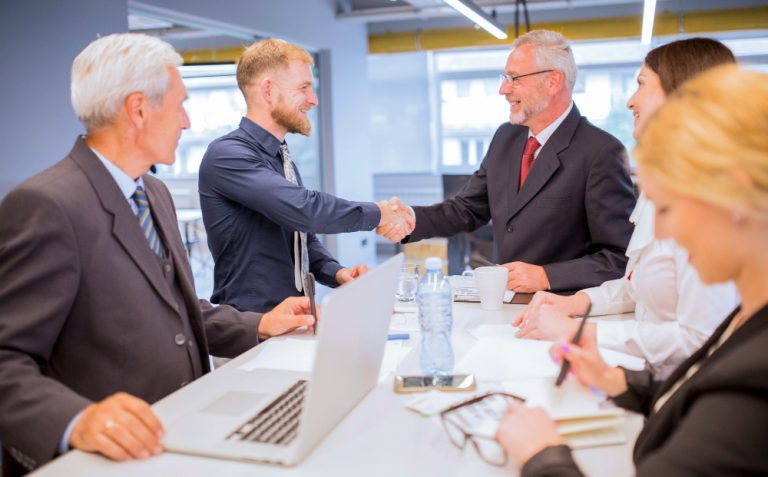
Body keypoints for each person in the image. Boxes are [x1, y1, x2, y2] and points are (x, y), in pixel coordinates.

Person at [0, 34, 317, 475]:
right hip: (104, 458)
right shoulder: (47, 204)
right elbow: (7, 359)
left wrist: (259, 324)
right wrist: (76, 420)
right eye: (180, 105)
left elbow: (174, 311)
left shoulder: (154, 193)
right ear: (138, 110)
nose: (186, 122)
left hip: (177, 434)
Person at [496, 65, 768, 476]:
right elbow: (695, 392)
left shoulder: (755, 383)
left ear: (735, 196)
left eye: (668, 208)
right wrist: (616, 381)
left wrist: (542, 454)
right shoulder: (748, 319)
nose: (664, 232)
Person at [513, 38, 739, 378]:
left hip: (682, 389)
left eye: (642, 84)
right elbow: (638, 286)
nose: (631, 100)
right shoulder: (661, 186)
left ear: (682, 94)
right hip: (644, 377)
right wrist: (576, 303)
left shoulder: (713, 200)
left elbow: (702, 338)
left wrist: (582, 332)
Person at [394, 30, 636, 293]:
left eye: (515, 78)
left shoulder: (600, 152)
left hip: (562, 306)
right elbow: (467, 208)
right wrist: (409, 218)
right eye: (505, 78)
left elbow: (620, 257)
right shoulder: (506, 137)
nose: (503, 89)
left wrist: (546, 276)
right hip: (503, 301)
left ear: (553, 81)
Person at [198, 38, 412, 313]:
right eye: (303, 88)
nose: (313, 99)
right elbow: (304, 209)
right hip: (253, 325)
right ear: (268, 90)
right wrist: (379, 213)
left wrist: (337, 273)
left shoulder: (280, 157)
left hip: (295, 317)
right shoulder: (228, 155)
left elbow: (301, 237)